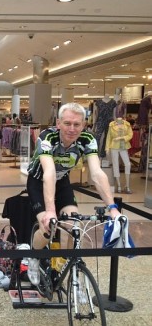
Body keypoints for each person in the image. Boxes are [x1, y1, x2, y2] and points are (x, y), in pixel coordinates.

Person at [26, 102, 121, 286]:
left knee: (74, 226)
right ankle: (34, 257)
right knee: (47, 226)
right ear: (58, 123)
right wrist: (51, 211)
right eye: (67, 123)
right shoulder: (47, 137)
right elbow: (49, 173)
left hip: (62, 182)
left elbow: (96, 173)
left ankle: (68, 267)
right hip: (39, 181)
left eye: (76, 124)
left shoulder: (87, 139)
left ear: (83, 125)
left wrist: (113, 208)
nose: (72, 129)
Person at [106, 117, 133, 194]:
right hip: (114, 146)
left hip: (124, 146)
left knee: (127, 164)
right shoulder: (112, 125)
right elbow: (109, 137)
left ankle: (127, 185)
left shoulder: (127, 124)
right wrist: (107, 148)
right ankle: (119, 186)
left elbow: (130, 134)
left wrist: (121, 138)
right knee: (115, 165)